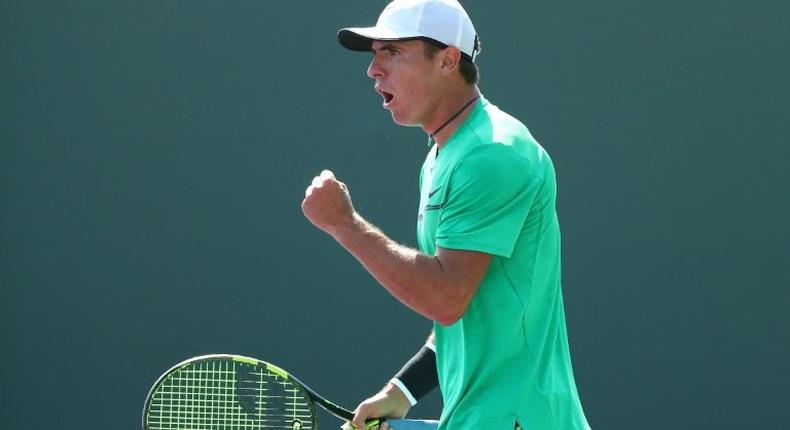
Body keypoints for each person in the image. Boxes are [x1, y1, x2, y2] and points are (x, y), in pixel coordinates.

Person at [301, 0, 591, 429]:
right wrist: (401, 391)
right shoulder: (446, 154)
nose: (373, 69)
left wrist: (346, 225)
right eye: (374, 54)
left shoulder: (493, 153)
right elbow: (473, 311)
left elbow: (446, 297)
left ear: (447, 61)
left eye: (392, 52)